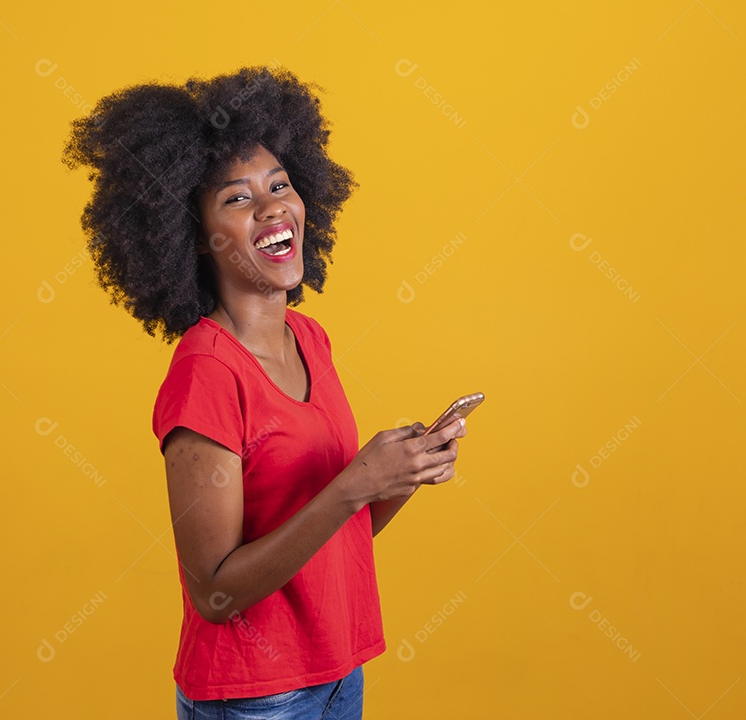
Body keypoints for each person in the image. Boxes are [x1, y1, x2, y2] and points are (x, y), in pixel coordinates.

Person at [63, 65, 467, 719]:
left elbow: (336, 531)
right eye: (237, 198)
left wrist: (399, 476)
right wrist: (355, 484)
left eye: (279, 185)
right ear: (193, 236)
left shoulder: (311, 338)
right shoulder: (206, 376)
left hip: (338, 674)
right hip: (258, 697)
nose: (272, 206)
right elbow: (216, 594)